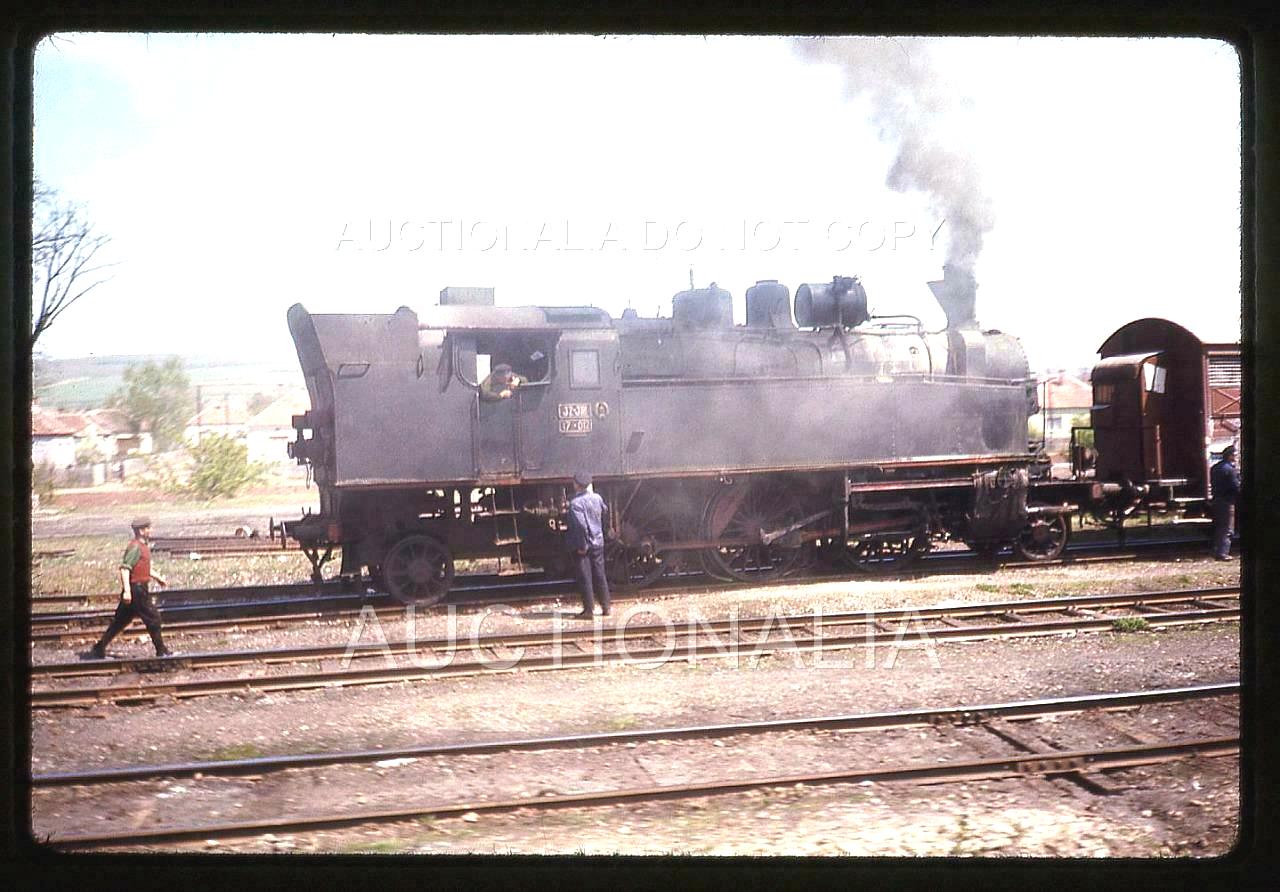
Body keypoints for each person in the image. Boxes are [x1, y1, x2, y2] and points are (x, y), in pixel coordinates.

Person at [81, 516, 172, 659]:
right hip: (137, 589)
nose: (151, 530)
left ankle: (99, 648)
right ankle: (162, 651)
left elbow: (143, 568)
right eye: (148, 528)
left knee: (120, 621)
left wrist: (158, 578)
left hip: (138, 588)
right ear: (141, 531)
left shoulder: (143, 547)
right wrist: (128, 591)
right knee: (154, 618)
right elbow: (125, 569)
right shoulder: (135, 547)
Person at [565, 471, 610, 619]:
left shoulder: (575, 504)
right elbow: (605, 512)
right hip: (598, 542)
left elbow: (581, 526)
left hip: (584, 545)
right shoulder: (597, 498)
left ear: (576, 485)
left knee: (585, 576)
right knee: (600, 574)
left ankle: (589, 610)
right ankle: (606, 607)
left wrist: (582, 545)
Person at [1209, 444, 1241, 561]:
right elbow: (1236, 487)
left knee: (1218, 526)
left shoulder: (1215, 468)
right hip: (1227, 501)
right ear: (1230, 456)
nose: (1236, 458)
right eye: (1235, 455)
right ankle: (1223, 553)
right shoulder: (1230, 470)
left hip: (1216, 499)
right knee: (1227, 528)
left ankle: (1216, 550)